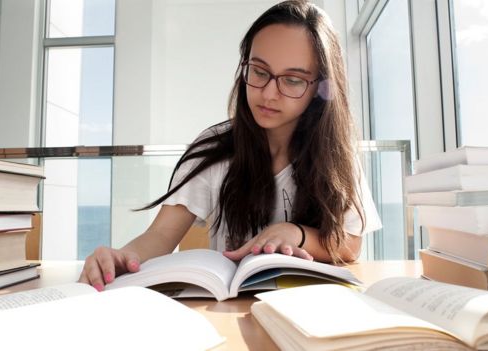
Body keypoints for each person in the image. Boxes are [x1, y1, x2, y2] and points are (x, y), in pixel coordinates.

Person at [79, 0, 381, 291]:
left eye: (292, 80)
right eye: (260, 72)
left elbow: (351, 242)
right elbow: (160, 234)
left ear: (320, 87)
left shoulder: (335, 152)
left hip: (310, 305)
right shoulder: (215, 149)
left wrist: (295, 234)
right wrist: (121, 258)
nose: (268, 93)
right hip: (229, 308)